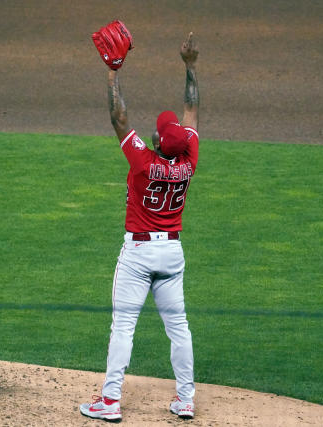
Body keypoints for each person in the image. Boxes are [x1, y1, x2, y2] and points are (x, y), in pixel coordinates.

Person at [80, 31, 200, 421]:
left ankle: (110, 402)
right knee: (179, 328)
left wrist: (113, 73)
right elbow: (191, 114)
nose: (157, 126)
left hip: (138, 252)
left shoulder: (143, 161)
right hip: (172, 253)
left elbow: (118, 117)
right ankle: (185, 400)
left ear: (160, 141)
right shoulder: (188, 160)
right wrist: (190, 66)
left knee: (123, 327)